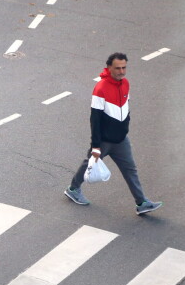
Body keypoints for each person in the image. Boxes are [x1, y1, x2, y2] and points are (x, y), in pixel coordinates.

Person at [64, 52, 163, 215]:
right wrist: (95, 145)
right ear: (109, 67)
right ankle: (73, 189)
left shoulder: (125, 84)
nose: (121, 71)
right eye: (118, 68)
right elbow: (94, 119)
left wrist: (125, 128)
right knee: (88, 164)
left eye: (124, 68)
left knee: (130, 169)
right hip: (104, 141)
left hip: (121, 140)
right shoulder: (100, 89)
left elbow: (126, 107)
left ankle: (141, 203)